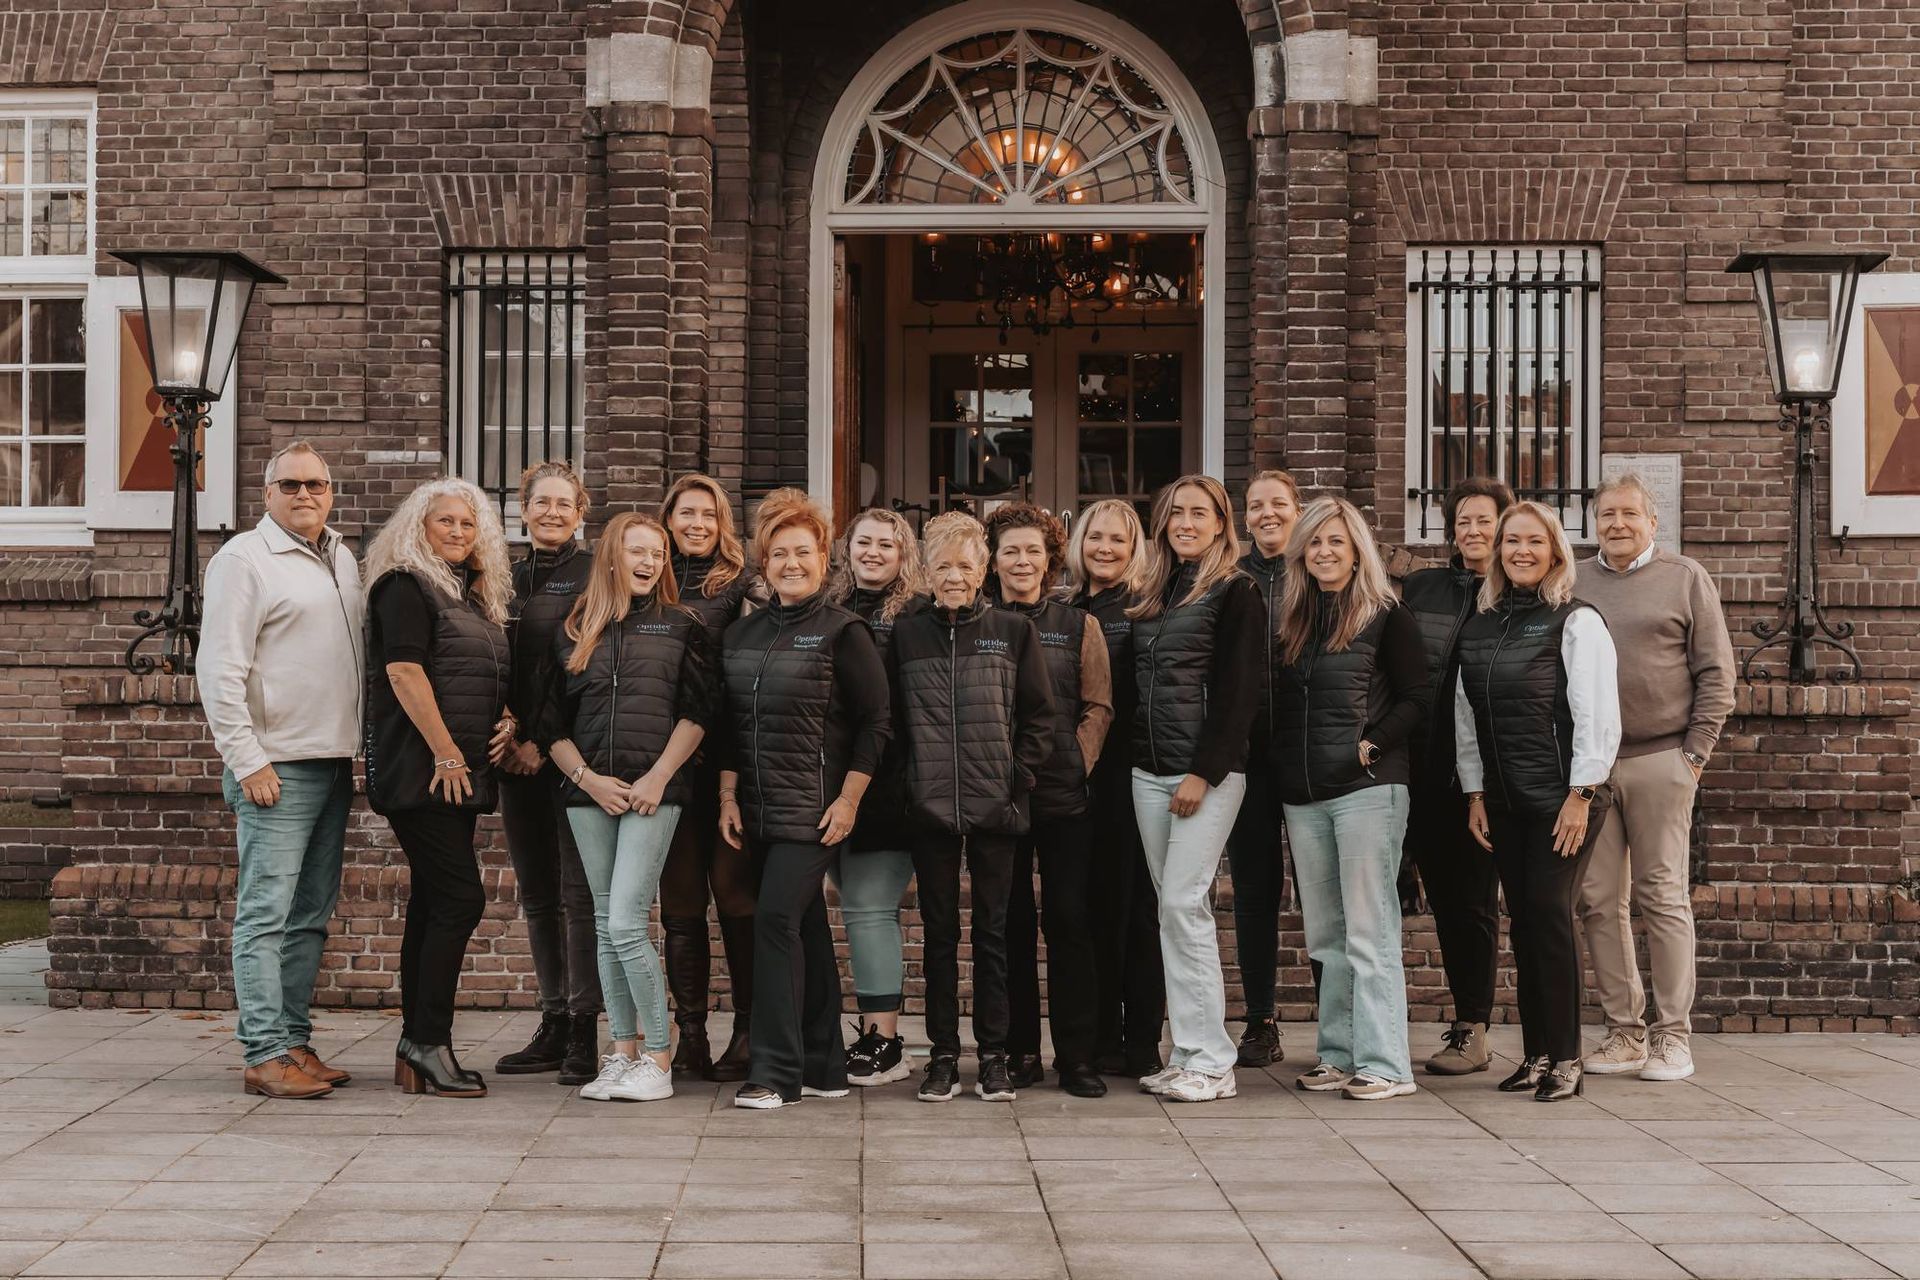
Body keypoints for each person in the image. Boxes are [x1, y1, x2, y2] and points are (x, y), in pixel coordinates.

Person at [199, 442, 365, 1099]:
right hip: (277, 768)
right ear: (267, 493)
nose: (304, 495)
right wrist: (247, 759)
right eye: (290, 485)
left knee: (310, 916)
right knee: (266, 916)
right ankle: (264, 1053)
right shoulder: (245, 559)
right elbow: (219, 669)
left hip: (331, 761)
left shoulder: (341, 557)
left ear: (331, 492)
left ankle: (294, 1043)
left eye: (316, 485)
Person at [716, 490, 890, 1109]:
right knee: (805, 927)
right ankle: (824, 1066)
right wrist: (729, 795)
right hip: (757, 808)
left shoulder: (843, 630)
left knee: (774, 921)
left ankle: (775, 1073)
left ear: (825, 558)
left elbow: (876, 724)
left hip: (815, 810)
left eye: (804, 552)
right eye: (780, 553)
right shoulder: (742, 633)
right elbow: (730, 721)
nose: (792, 563)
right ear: (764, 563)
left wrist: (848, 801)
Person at [541, 513, 718, 1104]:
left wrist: (656, 779)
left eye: (658, 553)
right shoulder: (573, 629)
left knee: (625, 921)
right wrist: (589, 781)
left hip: (654, 795)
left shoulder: (682, 626)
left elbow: (698, 714)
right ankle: (622, 1053)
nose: (649, 562)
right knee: (602, 922)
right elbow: (550, 726)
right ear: (612, 556)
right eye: (637, 550)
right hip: (587, 794)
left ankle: (660, 1058)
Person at [1457, 501, 1621, 1101]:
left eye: (1533, 541)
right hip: (1503, 798)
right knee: (1524, 923)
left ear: (1555, 550)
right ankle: (1536, 1054)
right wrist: (1475, 790)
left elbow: (1597, 715)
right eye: (1509, 541)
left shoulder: (1576, 622)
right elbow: (1466, 717)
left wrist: (1581, 794)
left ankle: (1568, 1061)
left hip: (1563, 799)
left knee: (1550, 915)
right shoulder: (1481, 624)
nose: (1520, 551)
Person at [1575, 474, 1734, 1084]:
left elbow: (1717, 673)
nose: (1616, 524)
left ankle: (1674, 1037)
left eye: (1628, 515)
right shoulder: (1577, 581)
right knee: (1597, 901)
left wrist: (1693, 756)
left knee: (1662, 896)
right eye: (1607, 514)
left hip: (1662, 759)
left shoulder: (1685, 577)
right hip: (1593, 765)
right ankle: (1625, 1033)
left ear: (1652, 521)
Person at [890, 512, 1053, 1104]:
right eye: (942, 566)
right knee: (937, 935)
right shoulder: (905, 636)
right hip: (929, 808)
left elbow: (1039, 718)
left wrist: (1018, 778)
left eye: (965, 565)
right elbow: (891, 725)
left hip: (996, 809)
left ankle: (993, 1057)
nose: (954, 576)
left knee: (992, 934)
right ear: (925, 572)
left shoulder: (1012, 632)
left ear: (983, 569)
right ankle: (940, 1056)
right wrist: (908, 784)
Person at [363, 477, 515, 1098]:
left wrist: (508, 721)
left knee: (433, 901)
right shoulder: (404, 585)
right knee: (460, 900)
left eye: (467, 523)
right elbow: (403, 671)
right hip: (422, 772)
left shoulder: (471, 599)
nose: (457, 531)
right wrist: (450, 754)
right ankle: (427, 1041)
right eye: (445, 521)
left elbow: (478, 677)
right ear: (418, 527)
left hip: (457, 775)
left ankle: (416, 1044)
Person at [1274, 497, 1430, 1101]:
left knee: (1369, 930)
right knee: (1326, 936)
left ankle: (1387, 1064)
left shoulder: (1388, 613)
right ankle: (1338, 1055)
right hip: (1306, 794)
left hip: (1369, 789)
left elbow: (1418, 696)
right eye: (1315, 542)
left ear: (1357, 547)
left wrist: (1372, 743)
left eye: (1336, 541)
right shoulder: (1294, 620)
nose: (1325, 552)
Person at [1129, 476, 1263, 1104]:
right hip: (1147, 772)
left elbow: (1240, 695)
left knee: (1185, 904)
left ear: (1220, 523)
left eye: (1198, 513)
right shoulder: (1156, 592)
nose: (1185, 522)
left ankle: (1213, 1060)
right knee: (1173, 908)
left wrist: (1201, 773)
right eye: (1175, 512)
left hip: (1204, 775)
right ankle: (1186, 1051)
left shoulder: (1237, 592)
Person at [987, 502, 1113, 1099]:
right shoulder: (979, 622)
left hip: (1064, 797)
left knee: (1069, 921)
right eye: (1010, 549)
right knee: (1009, 925)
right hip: (999, 798)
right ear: (994, 558)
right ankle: (1018, 1053)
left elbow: (1098, 705)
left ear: (1049, 558)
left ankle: (1077, 1057)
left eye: (1032, 550)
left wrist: (1077, 761)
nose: (1021, 560)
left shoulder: (1077, 624)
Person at [492, 462, 604, 1087]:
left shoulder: (592, 575)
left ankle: (585, 1028)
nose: (553, 512)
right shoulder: (500, 574)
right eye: (542, 503)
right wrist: (506, 732)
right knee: (537, 893)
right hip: (515, 760)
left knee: (578, 896)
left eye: (565, 503)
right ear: (524, 509)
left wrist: (540, 737)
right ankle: (553, 1018)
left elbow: (580, 669)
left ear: (580, 511)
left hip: (570, 755)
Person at [1399, 477, 1513, 1076]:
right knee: (1382, 899)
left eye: (1484, 521)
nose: (1473, 531)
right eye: (1463, 521)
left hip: (1475, 775)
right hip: (1409, 764)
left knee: (1466, 903)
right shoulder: (1421, 588)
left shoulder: (1519, 592)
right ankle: (1376, 1027)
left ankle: (1472, 1027)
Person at [658, 473, 760, 1081]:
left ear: (724, 525)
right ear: (668, 518)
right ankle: (691, 1032)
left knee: (735, 895)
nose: (697, 524)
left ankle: (747, 1031)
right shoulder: (648, 579)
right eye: (686, 513)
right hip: (668, 765)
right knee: (681, 904)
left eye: (709, 515)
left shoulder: (744, 588)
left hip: (730, 759)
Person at [824, 508, 926, 1087]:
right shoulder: (832, 607)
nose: (873, 553)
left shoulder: (914, 615)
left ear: (902, 553)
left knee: (867, 908)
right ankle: (869, 1033)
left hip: (889, 786)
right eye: (864, 542)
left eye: (886, 545)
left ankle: (885, 1040)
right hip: (827, 783)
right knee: (853, 908)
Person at [1067, 499, 1167, 1080]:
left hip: (1133, 773)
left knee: (1139, 910)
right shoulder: (1067, 608)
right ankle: (1102, 1036)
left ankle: (1142, 1041)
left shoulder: (1145, 609)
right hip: (1082, 777)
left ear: (1136, 550)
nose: (1105, 548)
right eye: (1095, 537)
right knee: (1094, 910)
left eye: (1118, 540)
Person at [1226, 468, 1303, 1068]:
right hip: (1247, 761)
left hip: (1308, 758)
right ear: (1243, 516)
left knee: (1321, 896)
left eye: (1278, 503)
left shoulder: (1322, 574)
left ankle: (1341, 1023)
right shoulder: (1231, 580)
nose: (1267, 514)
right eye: (1256, 505)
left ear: (1296, 511)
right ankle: (1260, 1021)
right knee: (1254, 892)